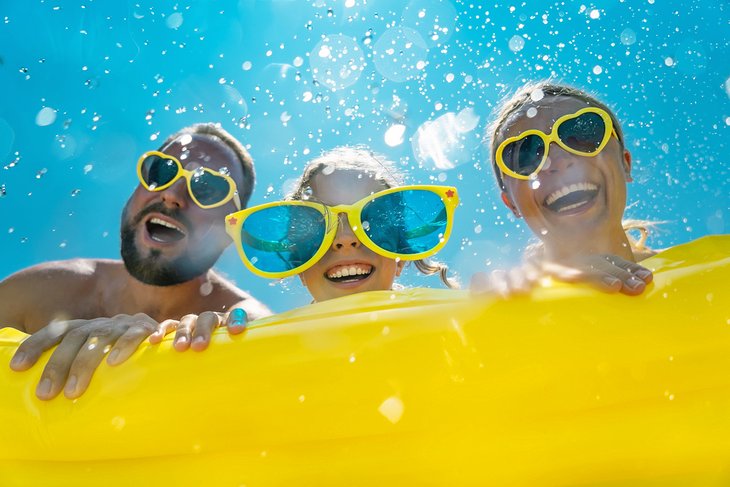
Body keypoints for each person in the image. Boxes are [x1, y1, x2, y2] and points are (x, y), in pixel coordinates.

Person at [1, 123, 271, 400]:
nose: (172, 194)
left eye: (208, 188)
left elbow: (262, 335)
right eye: (161, 171)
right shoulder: (37, 292)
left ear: (231, 229)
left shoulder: (241, 319)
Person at [472, 81, 656, 295]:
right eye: (526, 154)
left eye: (582, 134)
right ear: (512, 204)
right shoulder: (514, 303)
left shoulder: (702, 267)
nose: (557, 160)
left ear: (625, 163)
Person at [222, 146, 459, 302]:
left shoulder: (449, 328)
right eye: (317, 227)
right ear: (300, 267)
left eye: (372, 222)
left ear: (400, 258)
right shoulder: (274, 352)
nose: (345, 239)